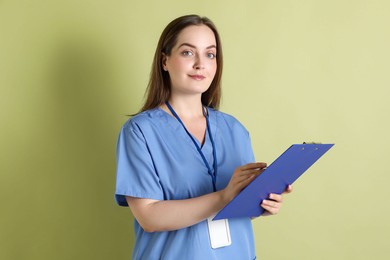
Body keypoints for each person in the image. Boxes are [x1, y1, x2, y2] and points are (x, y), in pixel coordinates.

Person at [115, 14, 292, 260]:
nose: (201, 64)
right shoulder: (140, 131)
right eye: (188, 53)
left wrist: (261, 201)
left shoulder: (234, 129)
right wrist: (223, 196)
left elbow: (240, 207)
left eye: (210, 54)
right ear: (165, 61)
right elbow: (149, 217)